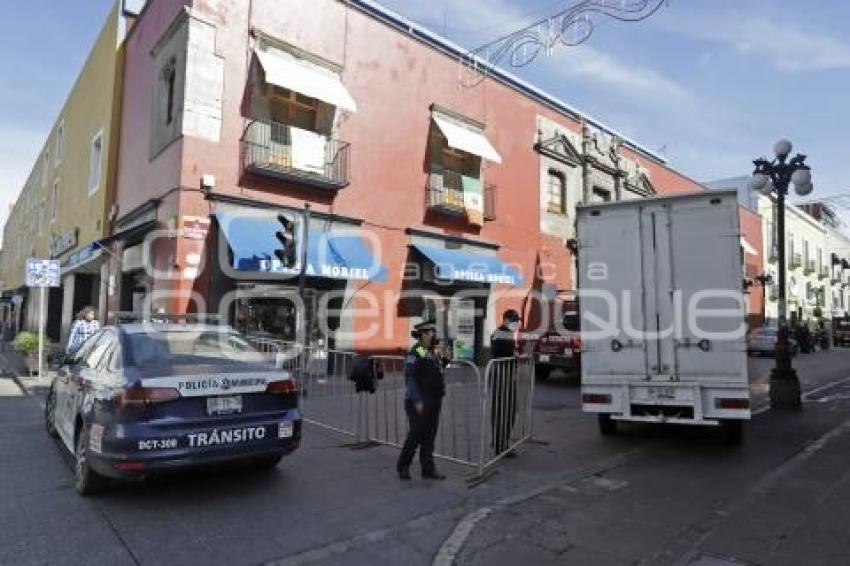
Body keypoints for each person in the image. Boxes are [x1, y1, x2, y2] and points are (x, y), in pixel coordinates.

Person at [396, 321, 446, 481]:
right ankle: (403, 466)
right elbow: (410, 378)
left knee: (429, 436)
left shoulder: (429, 351)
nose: (434, 335)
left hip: (434, 399)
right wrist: (417, 400)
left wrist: (444, 353)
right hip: (420, 401)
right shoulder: (416, 351)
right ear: (423, 334)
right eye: (431, 332)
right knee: (416, 435)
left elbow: (441, 364)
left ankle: (428, 469)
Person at [489, 309, 521, 457]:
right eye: (515, 321)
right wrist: (514, 354)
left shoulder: (503, 333)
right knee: (505, 411)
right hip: (501, 378)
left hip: (504, 376)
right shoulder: (501, 333)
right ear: (507, 320)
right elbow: (504, 352)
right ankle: (501, 445)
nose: (517, 324)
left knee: (506, 410)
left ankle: (500, 441)